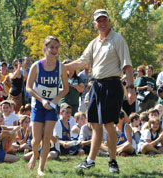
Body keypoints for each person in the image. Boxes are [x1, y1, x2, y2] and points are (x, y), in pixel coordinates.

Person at [66, 9, 136, 174]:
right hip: (96, 86)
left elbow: (127, 65)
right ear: (95, 24)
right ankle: (90, 161)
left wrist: (131, 88)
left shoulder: (118, 39)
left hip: (112, 85)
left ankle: (112, 162)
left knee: (108, 125)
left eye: (104, 20)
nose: (102, 23)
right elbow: (82, 61)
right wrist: (60, 67)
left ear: (109, 21)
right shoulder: (94, 43)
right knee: (95, 125)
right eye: (99, 21)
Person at [26, 35, 69, 176]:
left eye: (56, 48)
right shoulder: (36, 66)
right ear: (45, 48)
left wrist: (55, 100)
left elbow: (66, 89)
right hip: (38, 104)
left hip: (52, 106)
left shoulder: (61, 66)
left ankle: (41, 168)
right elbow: (28, 87)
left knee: (46, 137)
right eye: (51, 47)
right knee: (36, 139)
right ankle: (34, 153)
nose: (54, 50)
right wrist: (42, 100)